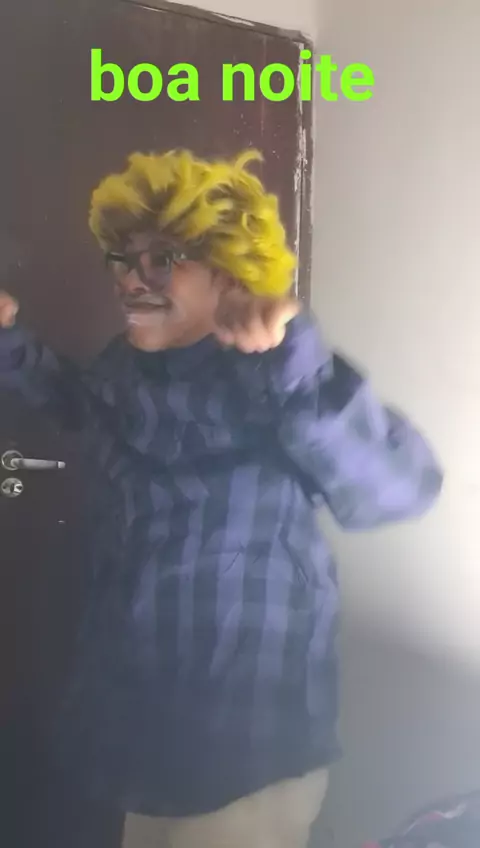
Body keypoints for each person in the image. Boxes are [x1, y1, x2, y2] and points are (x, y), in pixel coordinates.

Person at [0, 148, 443, 848]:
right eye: (122, 258)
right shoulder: (125, 368)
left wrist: (297, 366)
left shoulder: (277, 376)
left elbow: (398, 489)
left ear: (230, 272)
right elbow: (76, 403)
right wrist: (8, 343)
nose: (132, 278)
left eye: (164, 258)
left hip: (247, 746)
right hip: (142, 732)